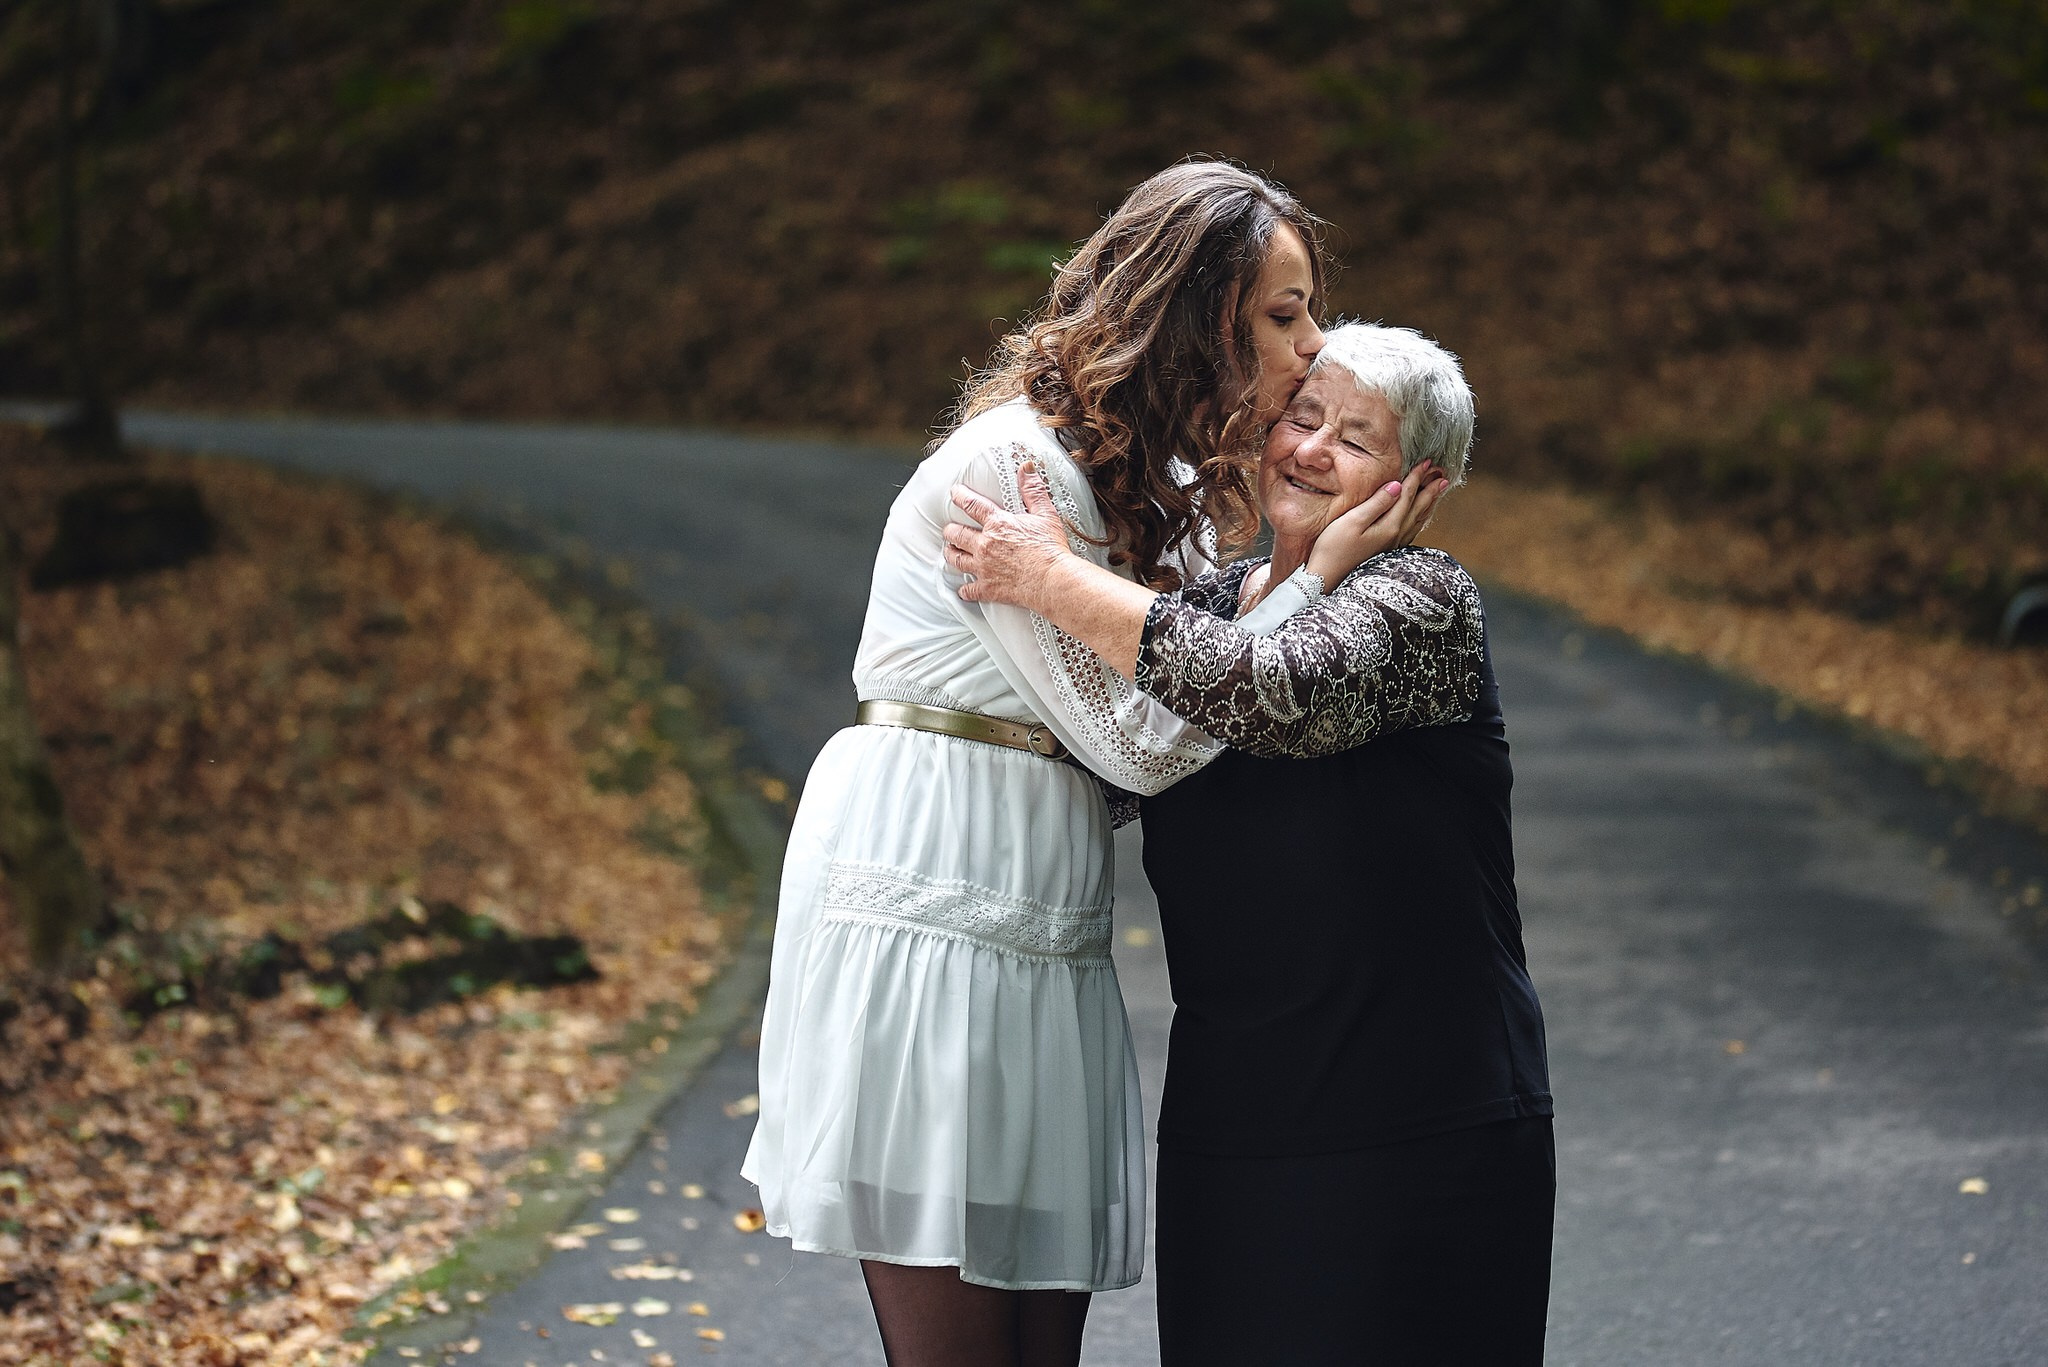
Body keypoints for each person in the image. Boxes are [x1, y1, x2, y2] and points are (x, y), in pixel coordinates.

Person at [741, 162, 1439, 1367]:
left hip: (1044, 892)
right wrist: (1315, 577)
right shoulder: (1010, 466)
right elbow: (1141, 739)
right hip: (936, 873)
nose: (1311, 343)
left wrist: (1292, 567)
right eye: (1283, 314)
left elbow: (1195, 682)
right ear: (1198, 314)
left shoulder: (1161, 483)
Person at [944, 323, 1554, 1366]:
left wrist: (1050, 580)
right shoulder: (1209, 605)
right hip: (1234, 1121)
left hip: (1420, 1113)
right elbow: (1097, 763)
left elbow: (1276, 691)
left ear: (1421, 484)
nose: (1309, 449)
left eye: (1353, 438)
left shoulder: (1423, 600)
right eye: (1300, 418)